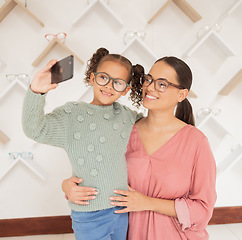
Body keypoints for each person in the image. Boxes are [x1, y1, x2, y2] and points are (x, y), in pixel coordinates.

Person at [62, 56, 217, 239]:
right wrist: (67, 187)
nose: (150, 87)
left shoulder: (196, 142)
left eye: (162, 84)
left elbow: (202, 210)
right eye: (149, 79)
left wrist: (148, 203)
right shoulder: (124, 131)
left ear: (181, 95)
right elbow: (97, 176)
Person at [22, 47, 144, 240]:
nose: (109, 86)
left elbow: (156, 127)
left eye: (118, 83)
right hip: (89, 215)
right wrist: (36, 91)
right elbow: (35, 129)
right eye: (104, 78)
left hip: (123, 211)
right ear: (93, 77)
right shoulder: (72, 115)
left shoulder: (127, 117)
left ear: (126, 89)